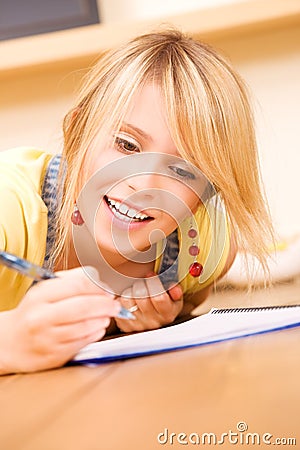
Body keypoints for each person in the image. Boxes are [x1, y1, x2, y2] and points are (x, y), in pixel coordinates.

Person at [0, 29, 273, 374]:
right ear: (75, 134)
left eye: (183, 170)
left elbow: (197, 293)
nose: (144, 186)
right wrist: (9, 342)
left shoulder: (203, 247)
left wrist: (173, 308)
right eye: (127, 145)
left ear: (206, 195)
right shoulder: (8, 208)